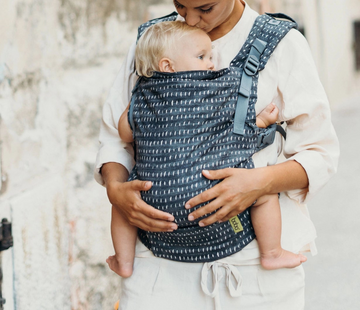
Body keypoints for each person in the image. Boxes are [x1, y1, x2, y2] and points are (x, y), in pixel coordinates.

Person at [95, 0, 339, 309]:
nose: (189, 20)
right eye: (178, 5)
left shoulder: (281, 46)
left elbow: (321, 153)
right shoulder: (152, 41)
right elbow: (116, 135)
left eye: (204, 7)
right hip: (157, 269)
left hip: (256, 272)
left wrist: (257, 184)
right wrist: (116, 189)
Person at [105, 20, 307, 278]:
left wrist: (138, 100)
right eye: (202, 57)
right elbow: (234, 130)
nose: (212, 63)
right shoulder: (212, 91)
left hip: (152, 201)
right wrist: (263, 122)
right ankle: (272, 253)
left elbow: (124, 133)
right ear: (168, 65)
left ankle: (124, 261)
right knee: (264, 195)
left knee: (120, 206)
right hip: (212, 196)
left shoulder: (142, 96)